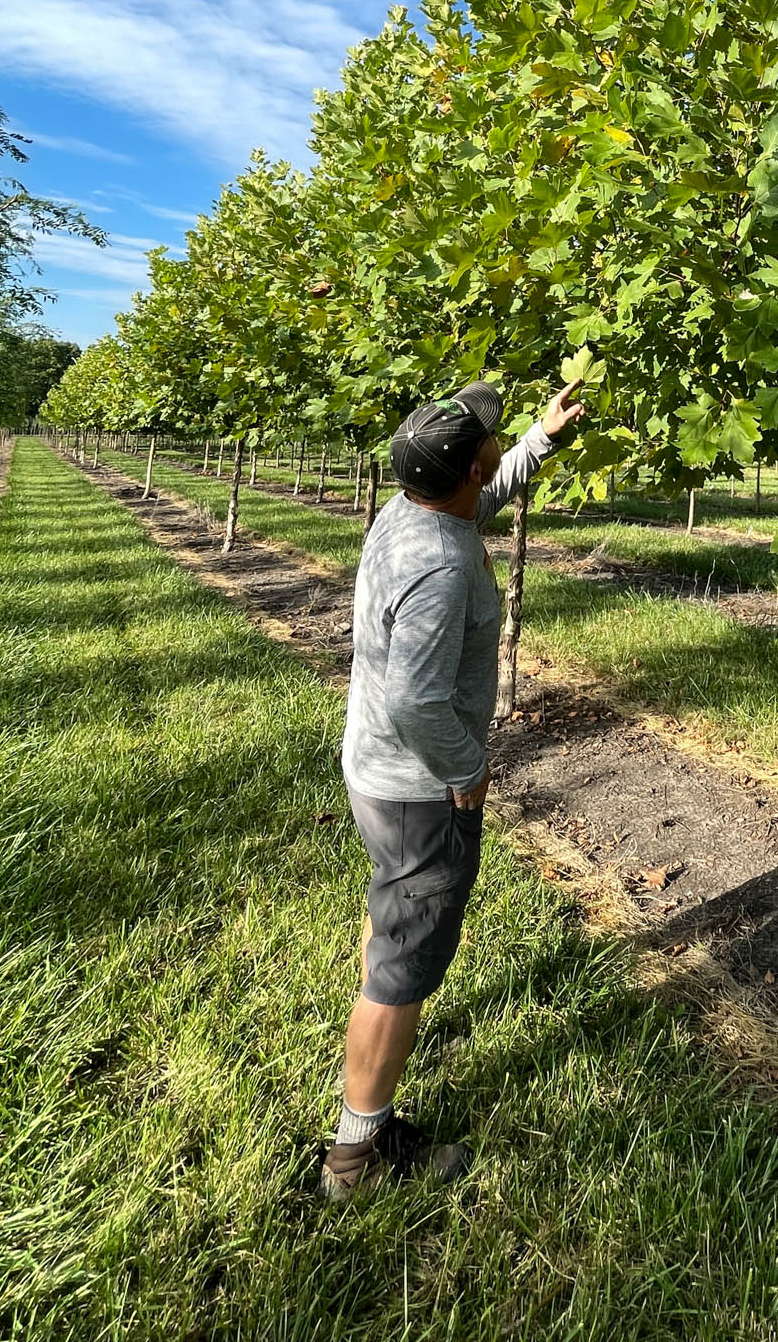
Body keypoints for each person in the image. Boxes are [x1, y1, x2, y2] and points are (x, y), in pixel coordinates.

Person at [320, 376, 585, 1199]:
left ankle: (367, 1088)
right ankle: (354, 1158)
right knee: (405, 961)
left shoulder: (410, 510)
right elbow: (416, 699)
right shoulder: (439, 569)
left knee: (392, 920)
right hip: (419, 787)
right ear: (468, 472)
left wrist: (538, 439)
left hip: (374, 772)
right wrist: (466, 772)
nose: (493, 450)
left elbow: (479, 500)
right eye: (489, 447)